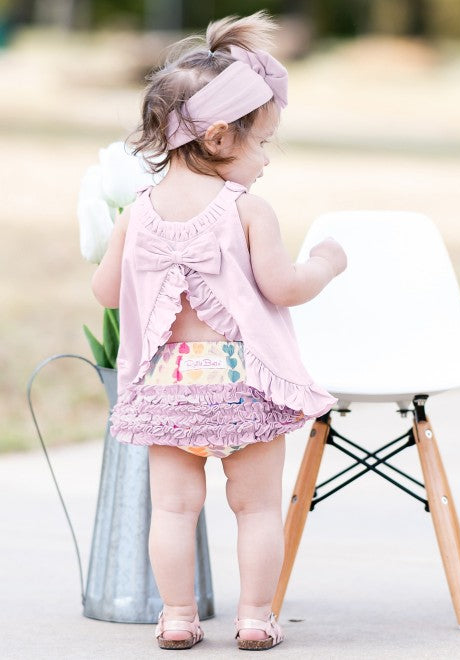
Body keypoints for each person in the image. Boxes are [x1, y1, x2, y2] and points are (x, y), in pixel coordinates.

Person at [91, 10, 347, 652]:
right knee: (255, 507)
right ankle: (254, 616)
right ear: (218, 138)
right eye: (262, 142)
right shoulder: (247, 209)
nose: (266, 159)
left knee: (174, 510)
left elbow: (105, 292)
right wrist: (326, 264)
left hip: (165, 385)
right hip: (243, 381)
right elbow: (283, 288)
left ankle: (177, 617)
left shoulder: (138, 213)